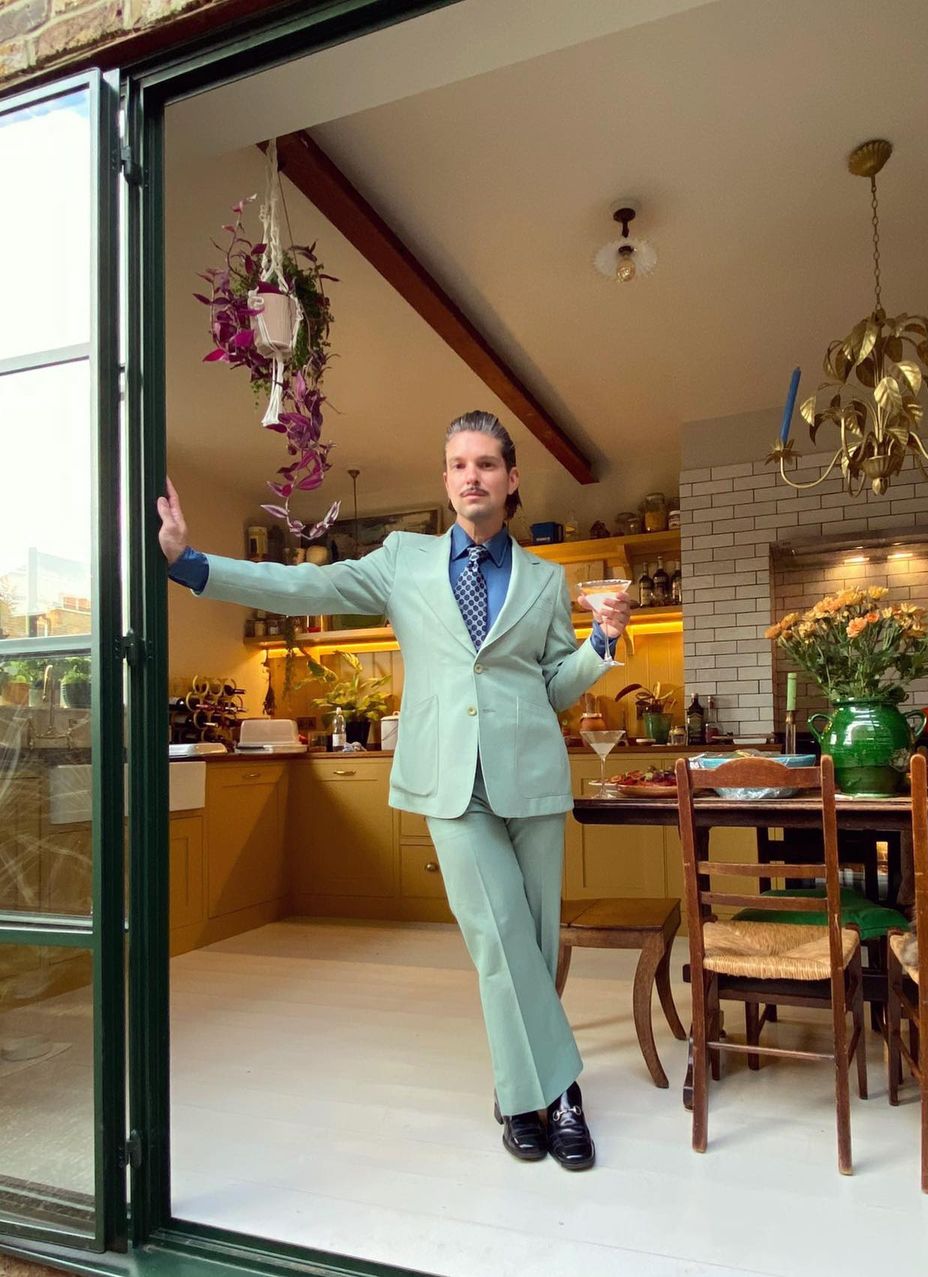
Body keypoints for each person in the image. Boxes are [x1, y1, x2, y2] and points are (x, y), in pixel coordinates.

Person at [158, 409, 631, 1171]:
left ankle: (520, 1091)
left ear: (511, 478)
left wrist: (601, 641)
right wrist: (191, 563)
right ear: (446, 479)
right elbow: (304, 582)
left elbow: (553, 686)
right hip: (448, 777)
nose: (472, 475)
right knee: (498, 934)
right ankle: (560, 1091)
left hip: (532, 776)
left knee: (535, 943)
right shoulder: (403, 558)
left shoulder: (547, 579)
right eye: (459, 463)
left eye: (486, 462)